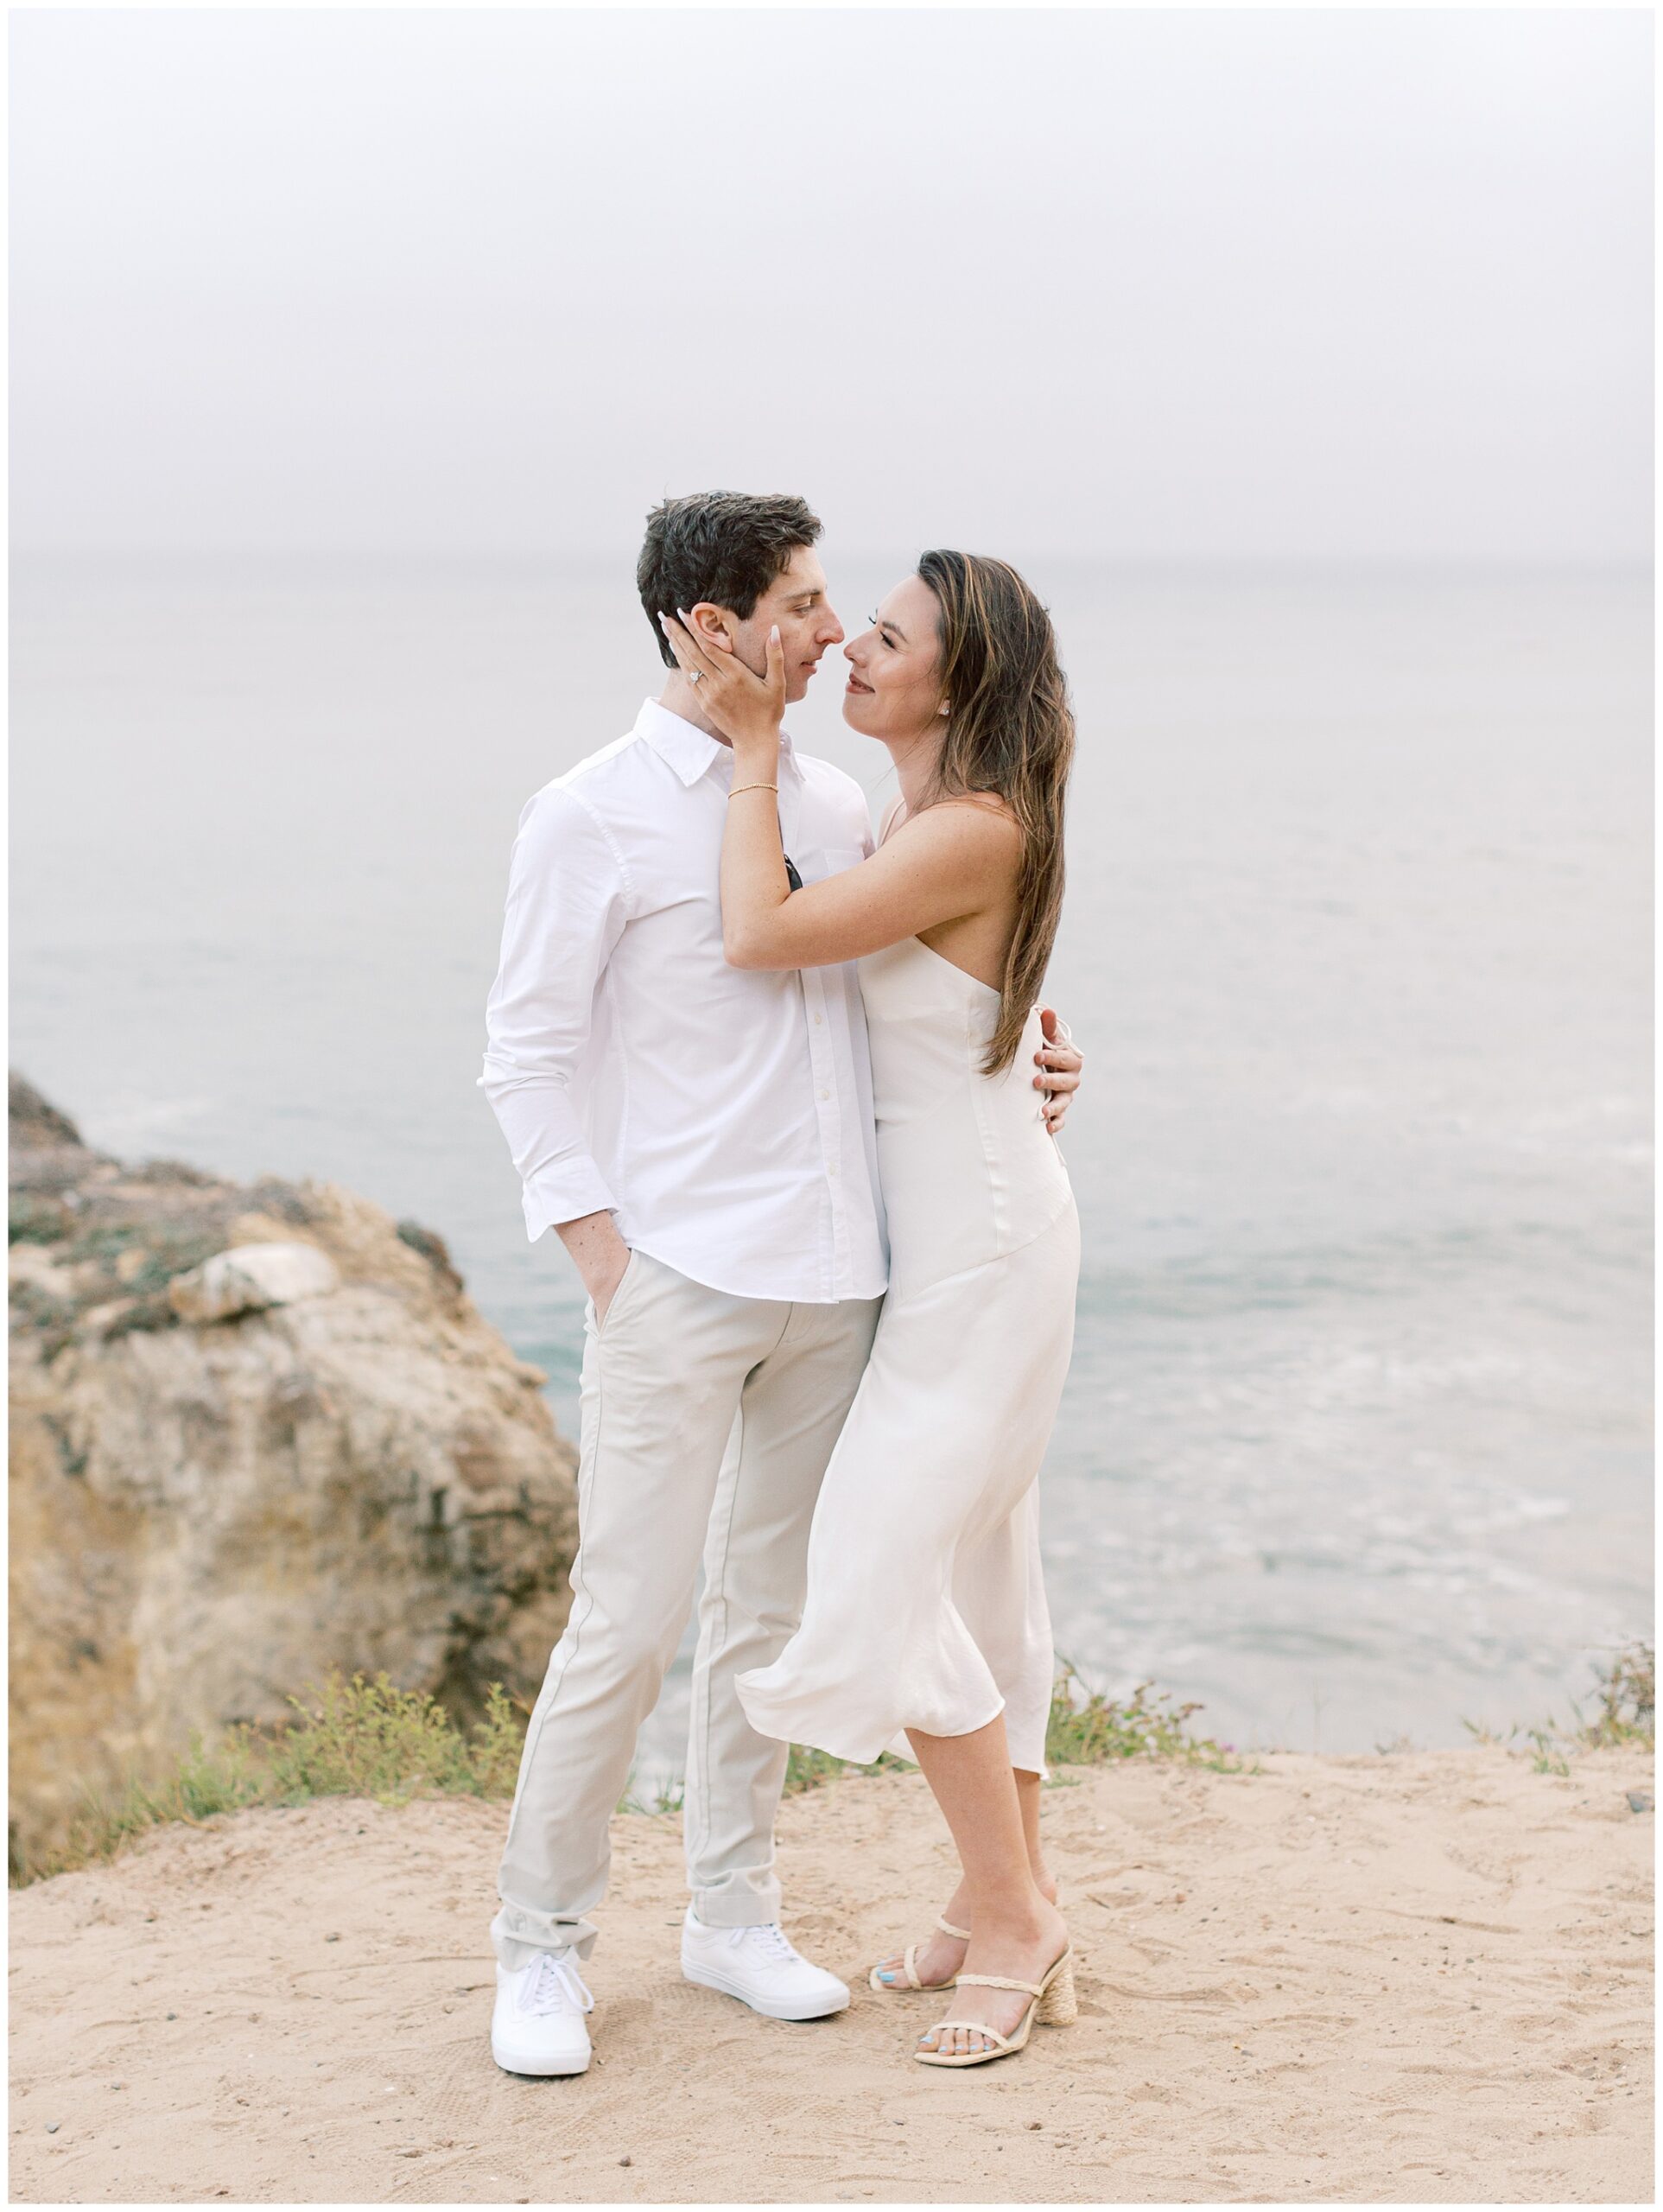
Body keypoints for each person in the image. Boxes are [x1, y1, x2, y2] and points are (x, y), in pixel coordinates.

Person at [478, 492, 1083, 2077]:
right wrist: (603, 1258)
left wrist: (1033, 1044)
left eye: (839, 610)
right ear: (711, 626)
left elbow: (941, 952)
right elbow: (525, 1058)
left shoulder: (826, 799)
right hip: (679, 1276)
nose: (824, 637)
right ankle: (540, 1946)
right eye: (803, 607)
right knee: (624, 1617)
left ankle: (731, 1915)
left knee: (768, 1610)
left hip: (850, 1280)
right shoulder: (589, 813)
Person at [658, 544, 1079, 2069]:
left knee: (881, 1568)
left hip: (979, 1250)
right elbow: (965, 1011)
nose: (852, 650)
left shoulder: (966, 827)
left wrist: (755, 749)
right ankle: (999, 1909)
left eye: (884, 639)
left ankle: (1015, 1913)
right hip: (954, 1235)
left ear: (952, 682)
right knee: (978, 1590)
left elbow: (764, 937)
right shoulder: (918, 818)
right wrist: (1044, 1046)